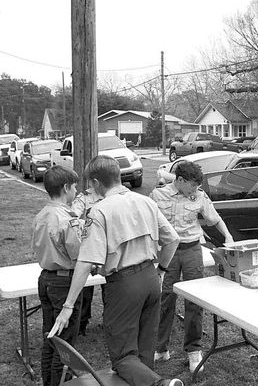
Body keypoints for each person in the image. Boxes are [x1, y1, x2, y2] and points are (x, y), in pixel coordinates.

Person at [48, 155, 183, 386]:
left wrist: (68, 305)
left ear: (97, 183)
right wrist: (161, 270)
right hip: (150, 279)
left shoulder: (99, 211)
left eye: (90, 185)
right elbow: (173, 239)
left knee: (122, 358)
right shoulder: (146, 202)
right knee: (143, 352)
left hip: (123, 284)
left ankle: (161, 385)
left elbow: (85, 261)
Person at [150, 161, 234, 373]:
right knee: (165, 297)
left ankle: (193, 350)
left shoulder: (199, 196)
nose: (194, 190)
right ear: (179, 180)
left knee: (194, 301)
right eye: (192, 185)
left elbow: (214, 218)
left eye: (197, 186)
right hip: (168, 252)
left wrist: (228, 236)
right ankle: (160, 348)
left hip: (191, 250)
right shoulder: (157, 196)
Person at [32, 165, 83, 386]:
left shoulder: (42, 214)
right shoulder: (67, 219)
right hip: (64, 282)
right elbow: (79, 254)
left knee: (50, 339)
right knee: (65, 344)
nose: (76, 192)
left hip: (46, 278)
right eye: (74, 187)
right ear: (66, 187)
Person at [70, 186, 103, 336]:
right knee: (85, 290)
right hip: (89, 247)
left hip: (107, 249)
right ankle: (81, 324)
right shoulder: (84, 197)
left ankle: (110, 321)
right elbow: (73, 217)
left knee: (111, 290)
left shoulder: (113, 196)